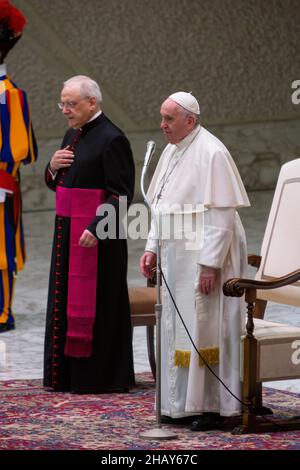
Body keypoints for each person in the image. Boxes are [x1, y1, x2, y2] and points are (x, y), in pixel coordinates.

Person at [140, 91, 250, 430]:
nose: (162, 125)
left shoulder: (212, 152)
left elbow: (222, 213)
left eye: (169, 119)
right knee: (179, 328)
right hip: (177, 257)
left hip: (206, 258)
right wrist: (152, 246)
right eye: (162, 118)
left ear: (190, 120)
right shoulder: (172, 152)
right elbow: (160, 205)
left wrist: (210, 264)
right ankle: (181, 404)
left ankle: (212, 405)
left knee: (205, 326)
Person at [43, 75, 135, 393]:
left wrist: (97, 228)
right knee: (64, 302)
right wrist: (52, 167)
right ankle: (66, 376)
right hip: (68, 232)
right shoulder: (72, 134)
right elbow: (61, 183)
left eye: (71, 104)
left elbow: (121, 194)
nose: (65, 110)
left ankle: (99, 378)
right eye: (63, 104)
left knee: (99, 305)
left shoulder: (113, 138)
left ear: (92, 102)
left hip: (99, 241)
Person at [0, 1, 38, 333]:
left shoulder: (10, 93)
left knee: (0, 252)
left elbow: (19, 149)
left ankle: (1, 311)